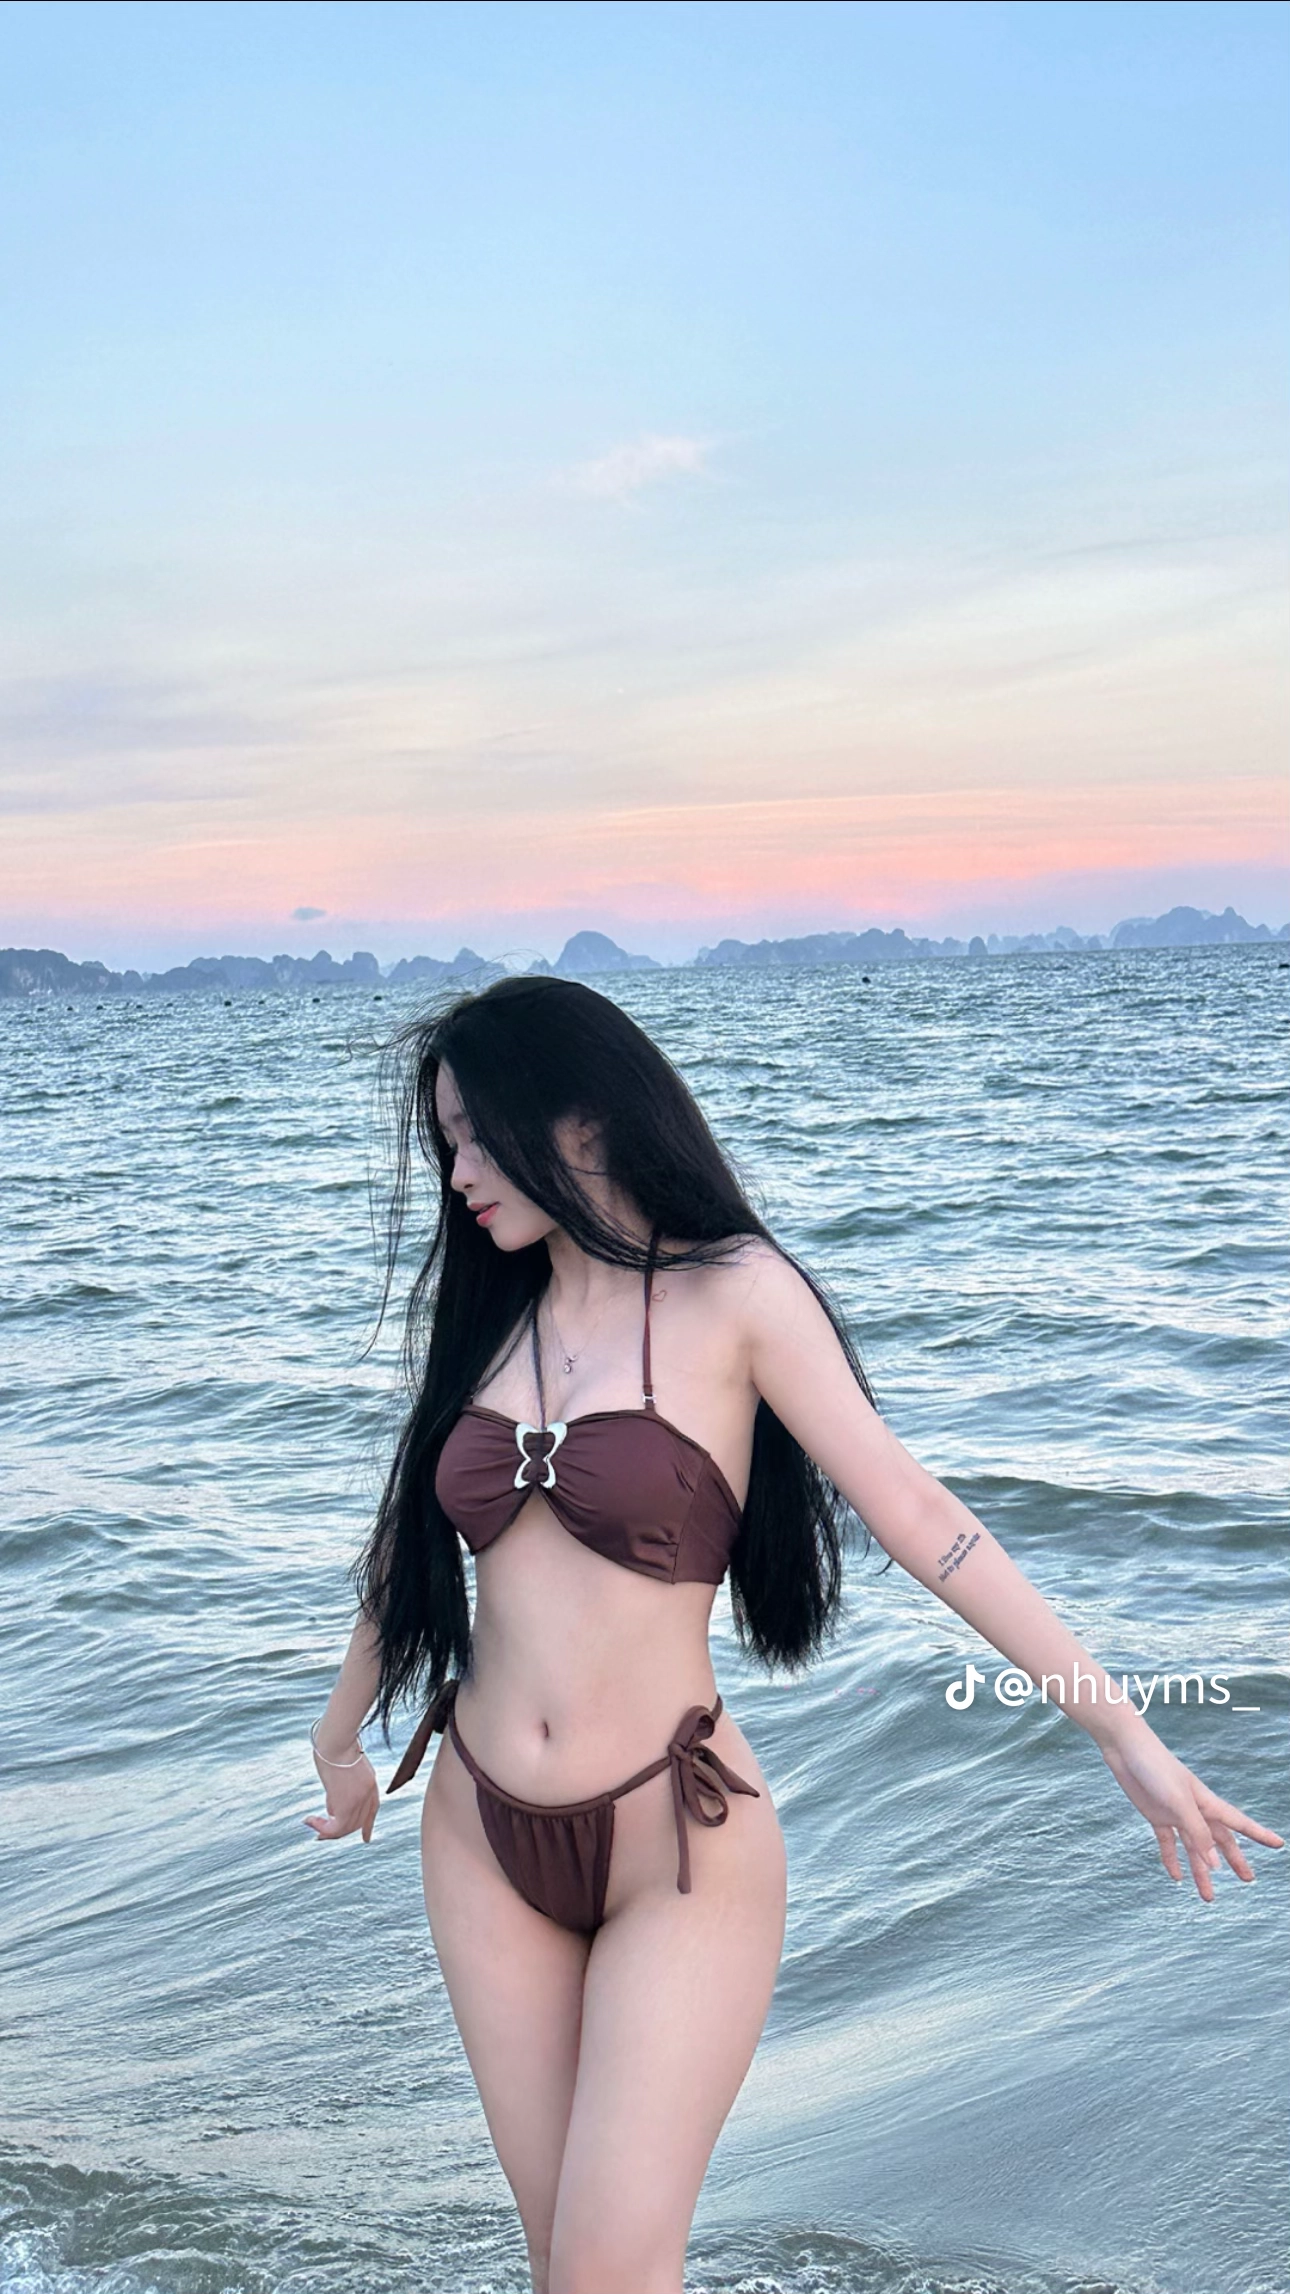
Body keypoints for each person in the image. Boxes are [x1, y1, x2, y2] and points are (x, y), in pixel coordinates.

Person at [304, 975, 1281, 2294]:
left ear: (581, 1116)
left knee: (606, 2267)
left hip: (676, 1837)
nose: (458, 1171)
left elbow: (918, 1514)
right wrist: (339, 1741)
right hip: (478, 1835)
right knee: (562, 2272)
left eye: (479, 1134)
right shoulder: (491, 1319)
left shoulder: (736, 1293)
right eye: (445, 1143)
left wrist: (1120, 1729)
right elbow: (403, 1549)